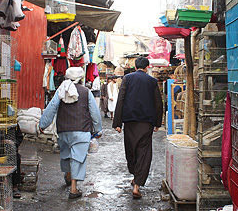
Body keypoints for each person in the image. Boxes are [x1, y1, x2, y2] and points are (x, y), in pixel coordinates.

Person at [39, 67, 103, 199]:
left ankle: (68, 175)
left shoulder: (61, 90)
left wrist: (43, 124)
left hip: (64, 129)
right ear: (81, 78)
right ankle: (74, 188)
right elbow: (94, 113)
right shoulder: (86, 92)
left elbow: (51, 107)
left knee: (66, 154)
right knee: (78, 158)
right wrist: (98, 129)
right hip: (82, 130)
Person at [112, 57, 163, 199]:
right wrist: (158, 123)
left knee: (131, 150)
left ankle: (136, 176)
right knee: (144, 153)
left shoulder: (127, 79)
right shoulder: (152, 81)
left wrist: (117, 123)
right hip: (146, 123)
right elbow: (158, 103)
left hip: (130, 122)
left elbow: (121, 99)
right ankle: (137, 185)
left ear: (135, 67)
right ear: (147, 67)